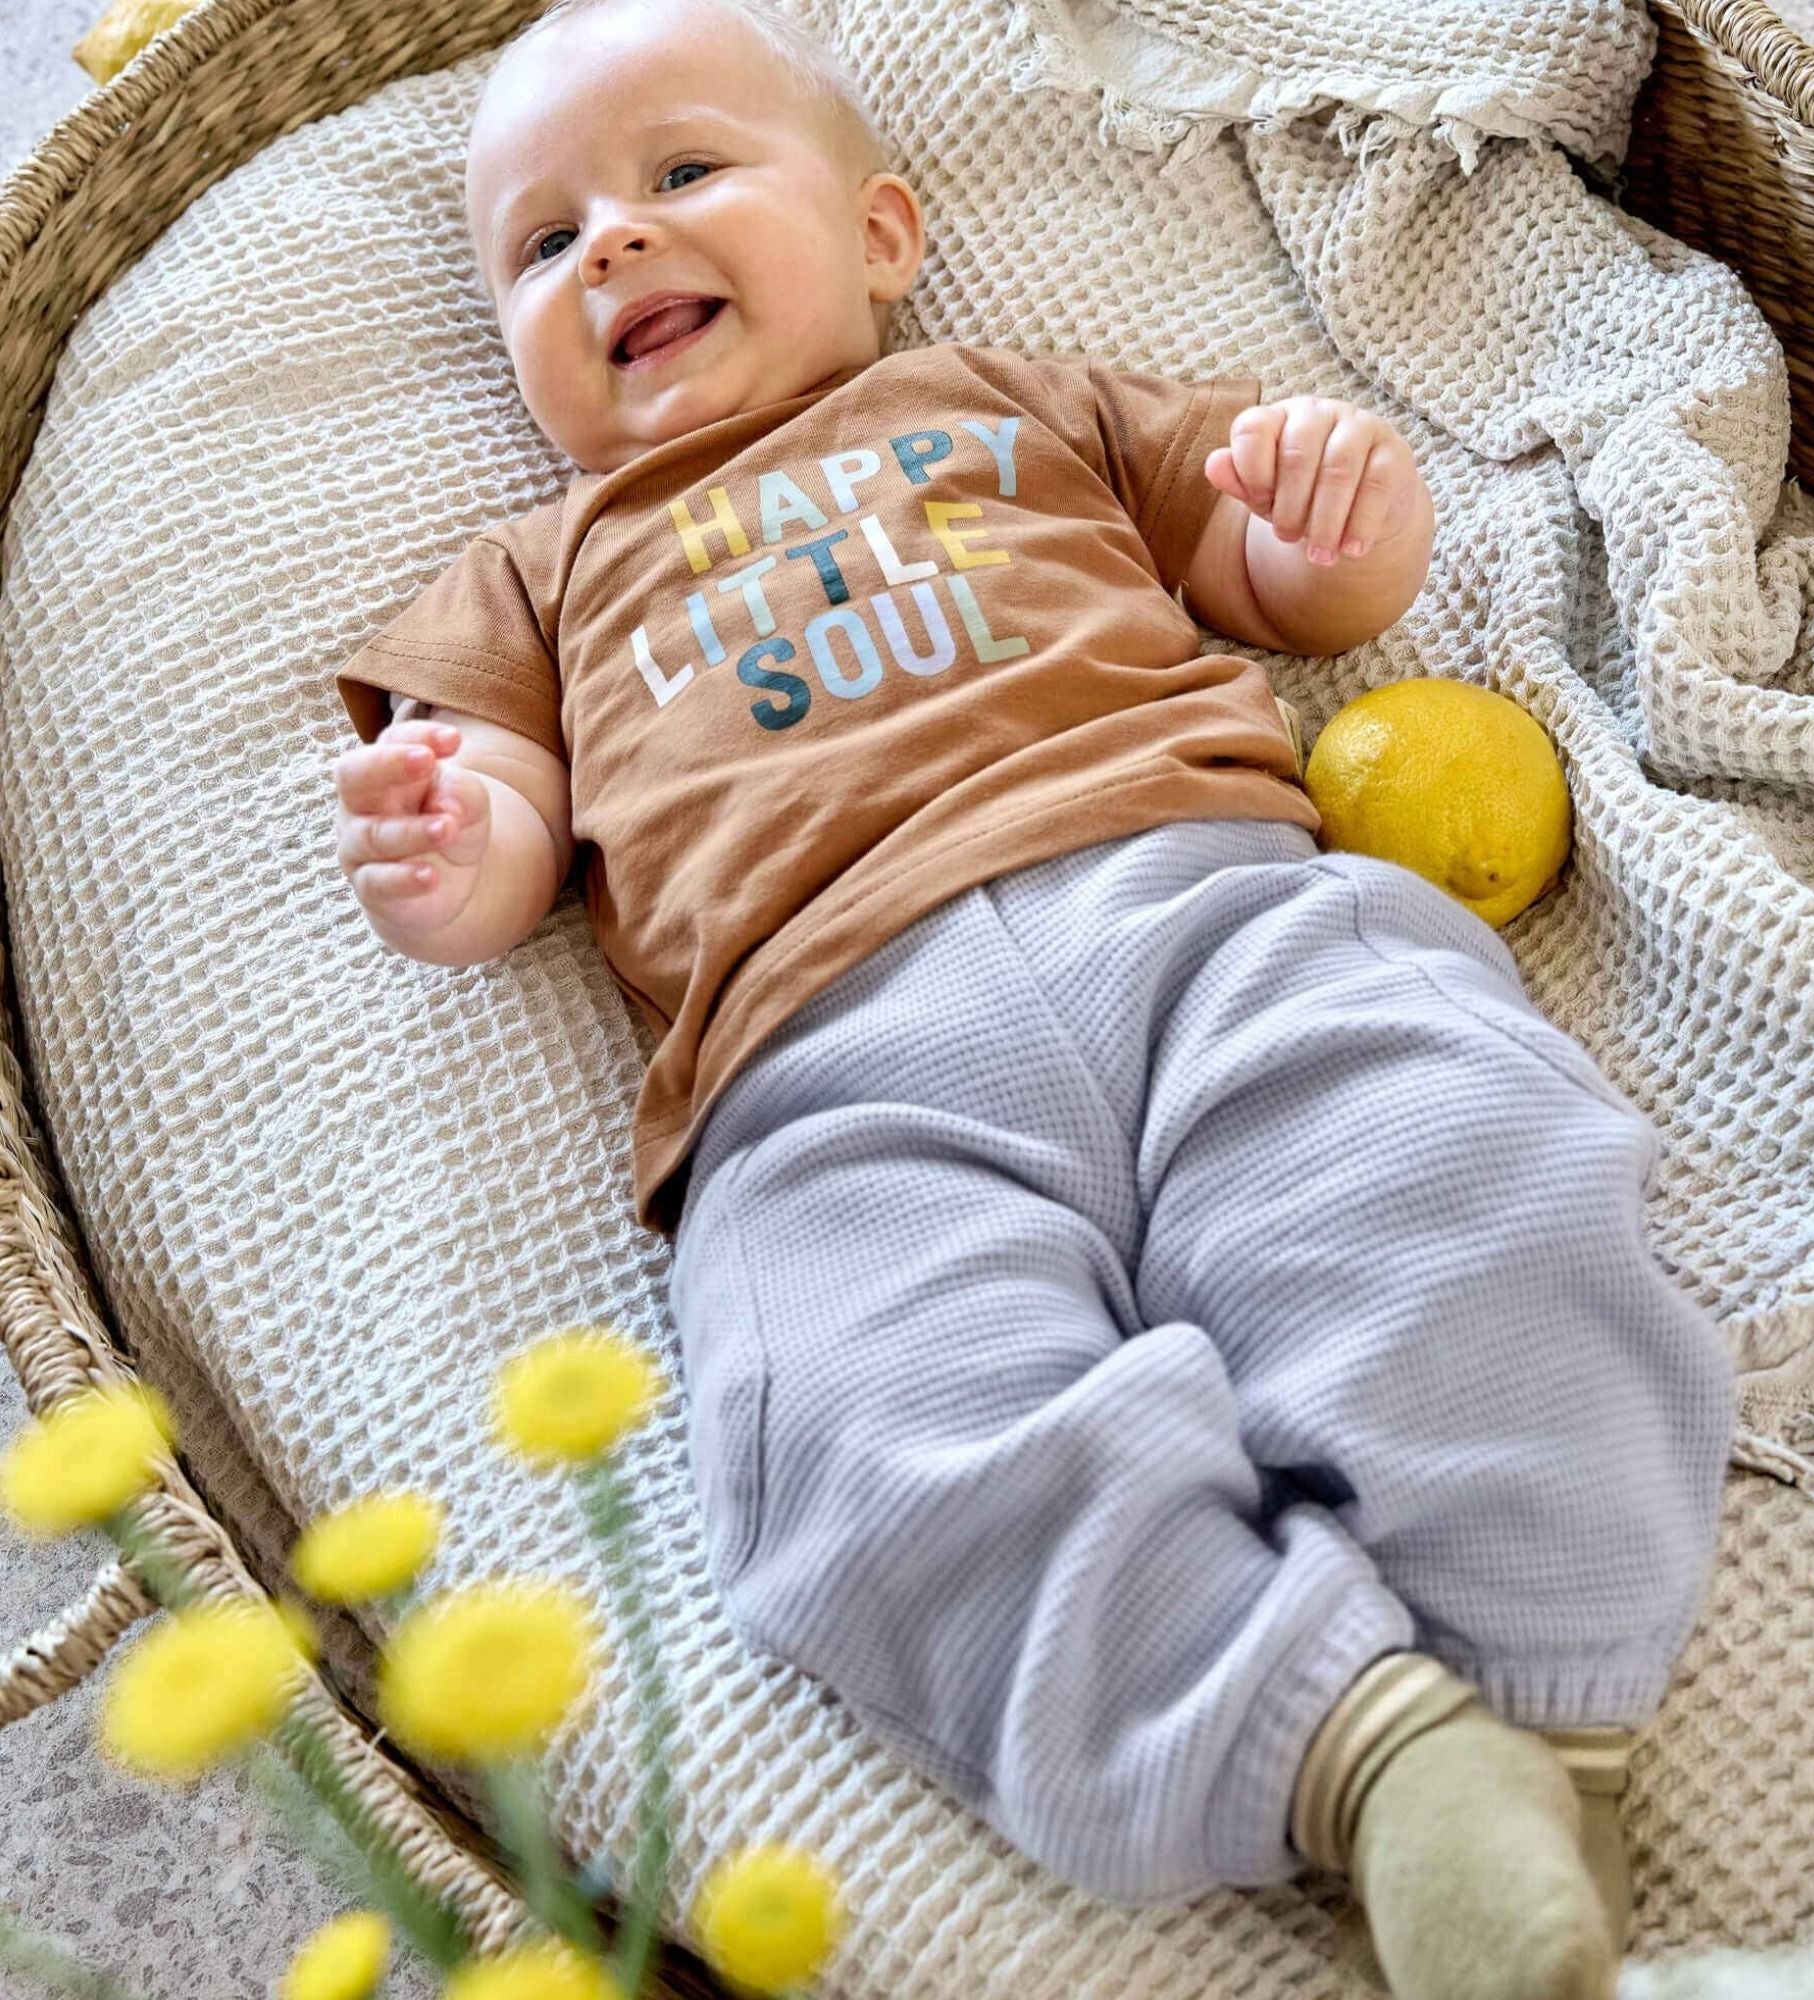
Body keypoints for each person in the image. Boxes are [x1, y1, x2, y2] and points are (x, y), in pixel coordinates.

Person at [329, 1, 1737, 1993]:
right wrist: (439, 839)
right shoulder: (541, 572)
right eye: (543, 245)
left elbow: (1284, 586)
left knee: (1448, 1156)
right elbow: (495, 853)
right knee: (865, 1427)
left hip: (1196, 909)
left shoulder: (1007, 401)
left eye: (682, 173)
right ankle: (1364, 1751)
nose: (614, 243)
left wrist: (1339, 525)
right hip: (821, 1067)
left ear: (882, 234)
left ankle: (1537, 1710)